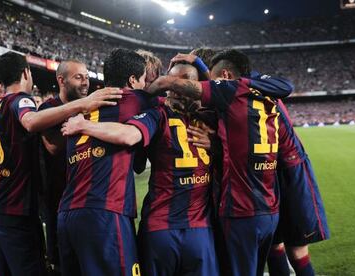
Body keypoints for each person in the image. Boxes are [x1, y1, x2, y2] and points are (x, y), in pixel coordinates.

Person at [0, 51, 122, 276]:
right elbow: (31, 123)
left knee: (0, 271)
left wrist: (11, 155)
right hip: (17, 205)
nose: (85, 82)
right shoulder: (22, 100)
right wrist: (83, 106)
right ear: (26, 72)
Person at [61, 62, 220, 276]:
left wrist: (83, 125)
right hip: (199, 230)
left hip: (160, 227)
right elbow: (229, 90)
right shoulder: (214, 116)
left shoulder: (157, 112)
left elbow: (130, 137)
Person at [147, 49, 294, 276]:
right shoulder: (249, 104)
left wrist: (159, 87)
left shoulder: (225, 98)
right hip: (267, 208)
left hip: (238, 213)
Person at [56, 49, 157, 276]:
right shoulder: (136, 99)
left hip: (67, 214)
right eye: (143, 79)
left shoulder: (84, 104)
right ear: (133, 80)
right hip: (105, 213)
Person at [38, 59, 91, 274]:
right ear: (61, 80)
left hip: (87, 200)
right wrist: (80, 117)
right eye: (79, 77)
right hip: (58, 202)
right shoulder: (48, 108)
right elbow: (52, 146)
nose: (85, 82)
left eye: (86, 77)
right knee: (63, 265)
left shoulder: (89, 106)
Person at [267, 101, 329, 276]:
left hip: (290, 171)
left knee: (296, 249)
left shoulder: (258, 90)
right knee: (273, 243)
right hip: (265, 173)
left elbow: (284, 86)